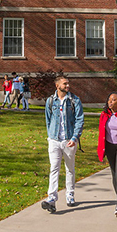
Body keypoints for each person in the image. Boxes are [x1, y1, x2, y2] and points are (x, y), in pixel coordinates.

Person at [41, 75, 84, 213]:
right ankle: (51, 198)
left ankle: (70, 194)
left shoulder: (74, 100)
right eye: (65, 84)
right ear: (57, 85)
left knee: (69, 168)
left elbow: (79, 120)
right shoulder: (50, 101)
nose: (67, 86)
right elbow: (48, 119)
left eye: (68, 84)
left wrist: (75, 137)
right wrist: (50, 136)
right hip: (54, 140)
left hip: (69, 140)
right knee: (54, 168)